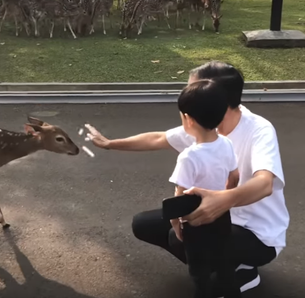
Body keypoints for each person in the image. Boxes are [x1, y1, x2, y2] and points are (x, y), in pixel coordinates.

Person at [84, 61, 290, 294]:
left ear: (217, 99)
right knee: (144, 224)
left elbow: (264, 184)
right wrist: (110, 144)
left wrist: (223, 200)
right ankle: (219, 262)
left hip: (257, 234)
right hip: (220, 220)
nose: (188, 97)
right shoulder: (204, 125)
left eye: (195, 90)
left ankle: (242, 269)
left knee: (179, 236)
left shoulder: (259, 130)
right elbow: (159, 138)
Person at [167, 78, 241, 298]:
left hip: (196, 220)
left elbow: (179, 196)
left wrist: (176, 224)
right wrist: (225, 200)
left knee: (199, 269)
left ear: (188, 120)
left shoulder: (189, 157)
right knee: (223, 260)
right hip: (220, 214)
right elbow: (234, 176)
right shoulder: (226, 143)